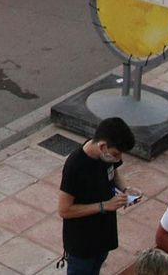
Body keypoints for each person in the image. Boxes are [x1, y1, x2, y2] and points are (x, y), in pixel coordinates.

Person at [58, 116, 138, 275]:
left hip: (103, 235)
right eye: (116, 154)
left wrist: (126, 189)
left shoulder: (106, 155)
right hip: (82, 242)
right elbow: (64, 210)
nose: (118, 158)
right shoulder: (75, 166)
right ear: (102, 146)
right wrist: (104, 205)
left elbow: (114, 173)